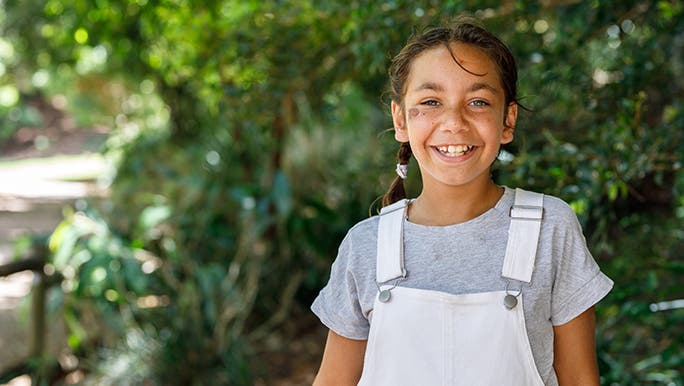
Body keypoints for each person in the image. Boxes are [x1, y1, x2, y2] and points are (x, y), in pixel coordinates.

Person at [311, 18, 613, 386]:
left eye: (478, 101)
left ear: (508, 119)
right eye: (431, 102)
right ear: (400, 119)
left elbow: (581, 379)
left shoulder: (550, 227)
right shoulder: (366, 245)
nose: (454, 122)